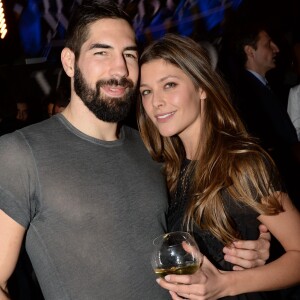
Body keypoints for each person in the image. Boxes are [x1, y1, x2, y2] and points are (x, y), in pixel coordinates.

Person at [0, 1, 271, 299]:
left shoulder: (154, 149)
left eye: (129, 54)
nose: (121, 68)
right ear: (69, 61)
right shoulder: (20, 153)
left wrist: (246, 247)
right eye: (101, 52)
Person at [137, 33, 300, 299]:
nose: (155, 102)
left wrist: (226, 283)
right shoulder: (168, 170)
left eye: (169, 85)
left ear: (202, 87)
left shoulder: (241, 164)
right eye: (146, 91)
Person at [232, 23, 300, 209]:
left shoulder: (263, 86)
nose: (276, 49)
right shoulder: (245, 94)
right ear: (250, 51)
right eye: (268, 44)